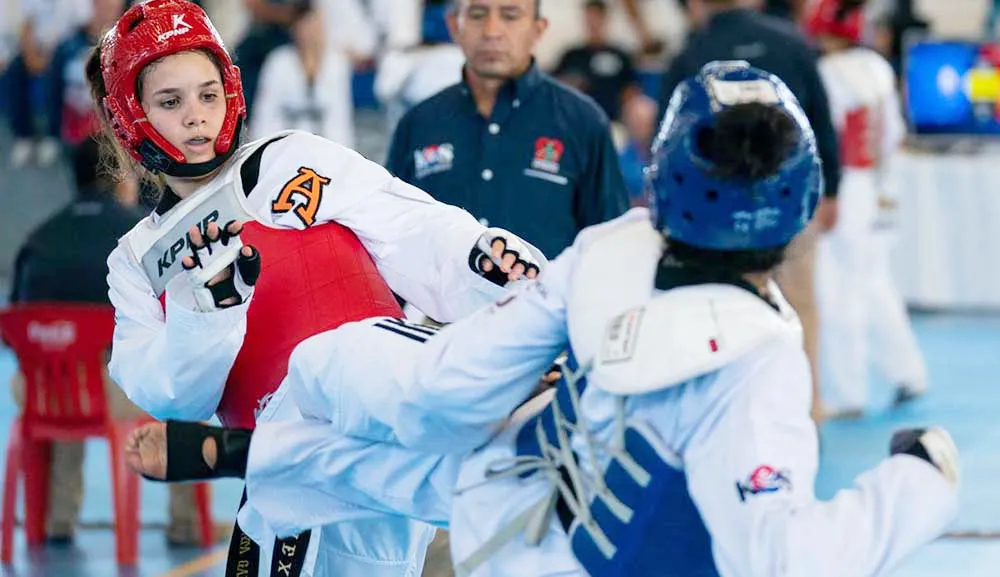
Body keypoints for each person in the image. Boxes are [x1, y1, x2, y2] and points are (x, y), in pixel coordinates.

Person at [129, 61, 961, 577]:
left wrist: (287, 408)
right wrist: (920, 481)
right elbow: (783, 558)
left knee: (434, 428)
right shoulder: (764, 359)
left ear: (664, 172)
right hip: (567, 533)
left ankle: (265, 449)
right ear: (799, 207)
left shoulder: (612, 249)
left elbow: (437, 389)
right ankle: (271, 445)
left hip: (511, 517)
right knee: (449, 439)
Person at [88, 1, 544, 576]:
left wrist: (479, 260)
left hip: (381, 406)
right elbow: (173, 396)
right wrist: (204, 310)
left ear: (231, 90)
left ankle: (523, 404)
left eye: (208, 95)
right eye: (171, 102)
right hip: (289, 465)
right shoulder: (138, 260)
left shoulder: (291, 158)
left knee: (353, 373)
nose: (197, 117)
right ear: (130, 115)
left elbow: (408, 226)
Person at [8, 136, 202, 547]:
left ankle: (57, 519)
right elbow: (176, 322)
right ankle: (187, 525)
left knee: (64, 370)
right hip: (111, 390)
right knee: (191, 391)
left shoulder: (37, 239)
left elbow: (15, 329)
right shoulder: (138, 239)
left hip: (41, 391)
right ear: (120, 179)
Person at [657, 0, 843, 423]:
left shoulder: (693, 50)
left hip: (713, 212)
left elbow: (666, 138)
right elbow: (822, 119)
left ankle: (726, 408)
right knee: (800, 304)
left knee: (720, 303)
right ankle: (808, 403)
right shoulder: (793, 44)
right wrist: (831, 188)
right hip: (791, 198)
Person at [385, 0, 630, 261]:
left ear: (538, 29)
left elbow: (611, 244)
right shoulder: (418, 123)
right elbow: (391, 239)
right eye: (478, 14)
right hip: (436, 302)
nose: (492, 31)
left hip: (548, 300)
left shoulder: (583, 122)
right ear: (455, 26)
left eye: (510, 15)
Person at [806, 0, 927, 418]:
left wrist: (829, 192)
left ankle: (849, 392)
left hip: (844, 186)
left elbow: (826, 138)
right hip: (877, 183)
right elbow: (893, 134)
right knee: (877, 284)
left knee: (839, 290)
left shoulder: (829, 74)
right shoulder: (877, 67)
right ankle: (908, 372)